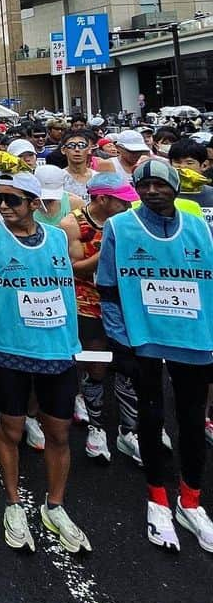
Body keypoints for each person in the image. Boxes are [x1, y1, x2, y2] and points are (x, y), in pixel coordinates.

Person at [0, 172, 91, 554]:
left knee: (58, 432)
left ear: (35, 204)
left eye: (13, 200)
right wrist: (6, 329)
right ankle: (13, 503)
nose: (3, 206)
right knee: (11, 429)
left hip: (58, 350)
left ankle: (55, 506)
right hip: (10, 351)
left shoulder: (57, 238)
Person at [96, 159, 213, 553]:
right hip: (142, 339)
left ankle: (191, 501)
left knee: (194, 422)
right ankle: (158, 499)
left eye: (160, 184)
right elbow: (108, 290)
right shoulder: (119, 228)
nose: (151, 191)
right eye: (143, 186)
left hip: (193, 338)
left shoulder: (199, 228)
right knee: (151, 419)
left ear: (175, 187)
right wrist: (120, 342)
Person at [59, 172, 142, 464]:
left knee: (129, 367)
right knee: (95, 366)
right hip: (89, 302)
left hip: (128, 302)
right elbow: (76, 268)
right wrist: (110, 244)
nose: (129, 206)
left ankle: (129, 429)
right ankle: (96, 427)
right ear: (103, 199)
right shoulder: (72, 224)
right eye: (122, 201)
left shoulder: (132, 220)